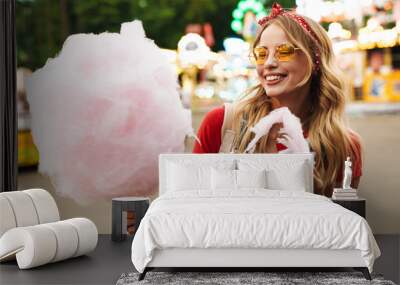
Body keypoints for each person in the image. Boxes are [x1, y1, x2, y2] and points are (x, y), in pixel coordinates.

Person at [192, 3, 362, 197]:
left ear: (315, 59)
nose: (269, 63)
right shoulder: (221, 123)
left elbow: (338, 223)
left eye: (284, 51)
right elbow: (192, 209)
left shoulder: (343, 145)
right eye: (262, 54)